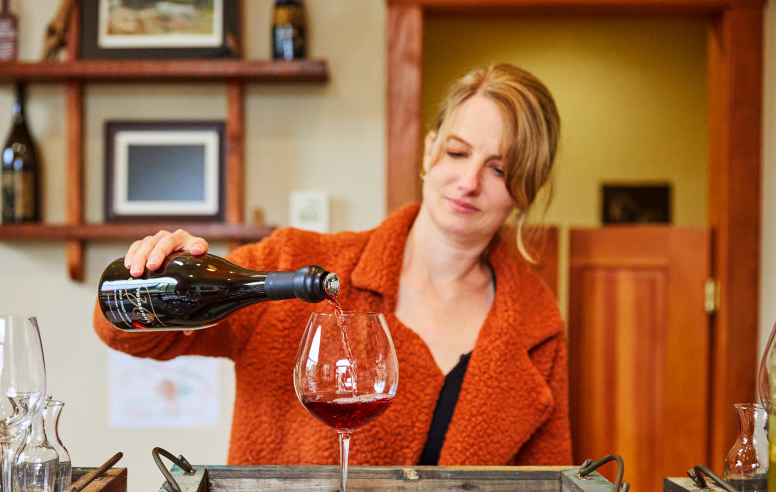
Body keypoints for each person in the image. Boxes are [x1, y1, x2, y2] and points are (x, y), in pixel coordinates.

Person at [94, 63, 571, 466]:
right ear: (429, 151)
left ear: (524, 190)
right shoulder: (294, 262)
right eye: (457, 152)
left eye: (499, 169)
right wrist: (152, 272)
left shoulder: (535, 323)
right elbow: (133, 335)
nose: (468, 181)